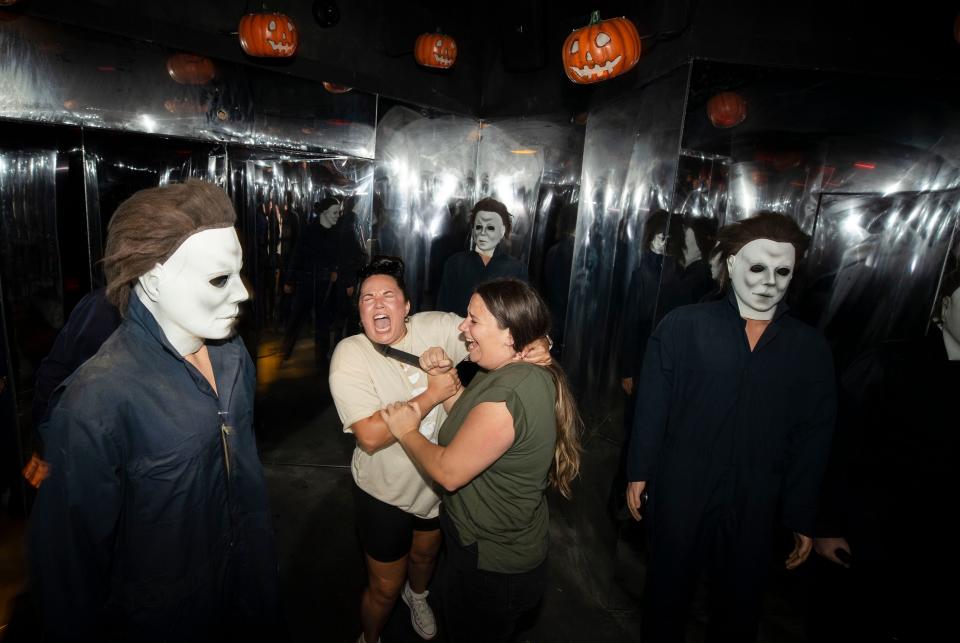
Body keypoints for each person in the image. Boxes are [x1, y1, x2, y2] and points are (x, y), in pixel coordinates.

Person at [28, 180, 281, 642]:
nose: (243, 293)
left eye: (240, 273)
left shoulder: (232, 356)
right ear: (152, 278)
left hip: (245, 594)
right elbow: (68, 567)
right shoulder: (97, 399)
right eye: (219, 279)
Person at [625, 212, 837, 642]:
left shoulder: (809, 349)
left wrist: (801, 512)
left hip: (759, 498)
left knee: (740, 608)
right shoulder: (683, 327)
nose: (769, 281)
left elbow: (814, 434)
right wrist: (639, 471)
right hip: (683, 486)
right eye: (758, 267)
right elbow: (653, 405)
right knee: (666, 599)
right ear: (733, 264)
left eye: (783, 271)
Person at [329, 259, 549, 643]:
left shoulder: (436, 327)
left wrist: (539, 343)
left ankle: (417, 597)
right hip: (385, 494)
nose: (378, 304)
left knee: (425, 559)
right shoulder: (350, 354)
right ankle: (370, 636)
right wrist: (433, 393)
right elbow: (370, 436)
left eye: (388, 295)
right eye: (368, 298)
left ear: (407, 306)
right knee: (383, 589)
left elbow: (500, 326)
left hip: (438, 494)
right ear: (360, 311)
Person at [380, 278, 582, 643]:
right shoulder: (502, 372)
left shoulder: (512, 391)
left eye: (473, 320)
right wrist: (444, 382)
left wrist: (406, 430)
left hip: (494, 567)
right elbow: (469, 424)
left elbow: (449, 471)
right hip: (478, 550)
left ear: (509, 335)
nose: (462, 327)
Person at [808, 267, 960, 642]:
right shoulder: (889, 363)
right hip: (874, 538)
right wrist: (826, 526)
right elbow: (839, 445)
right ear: (944, 307)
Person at [436, 198, 528, 317]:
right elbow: (443, 309)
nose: (483, 233)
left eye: (490, 228)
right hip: (459, 330)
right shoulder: (456, 263)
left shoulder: (516, 268)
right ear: (473, 230)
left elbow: (520, 312)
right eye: (479, 227)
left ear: (502, 231)